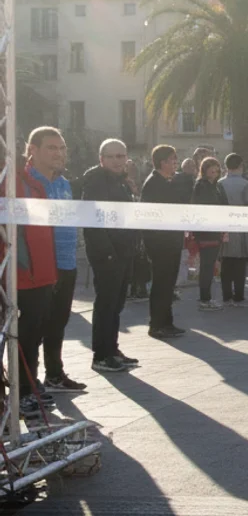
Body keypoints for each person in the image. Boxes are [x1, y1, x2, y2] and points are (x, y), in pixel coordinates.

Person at [1, 133, 59, 414]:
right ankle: (22, 392)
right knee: (20, 337)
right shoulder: (9, 182)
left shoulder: (35, 184)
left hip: (42, 274)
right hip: (18, 276)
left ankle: (29, 386)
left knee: (32, 335)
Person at [27, 128, 86, 392]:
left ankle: (54, 374)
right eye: (52, 148)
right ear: (33, 150)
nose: (59, 153)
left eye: (62, 148)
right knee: (33, 326)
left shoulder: (64, 183)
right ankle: (29, 383)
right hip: (38, 266)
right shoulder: (25, 181)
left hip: (66, 262)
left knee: (58, 322)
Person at [80, 139, 141, 372]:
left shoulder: (122, 181)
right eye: (112, 156)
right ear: (101, 159)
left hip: (124, 250)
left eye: (121, 156)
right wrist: (106, 253)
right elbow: (93, 220)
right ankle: (101, 355)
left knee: (116, 303)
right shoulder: (96, 179)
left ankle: (112, 348)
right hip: (106, 252)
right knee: (106, 303)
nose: (118, 160)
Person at [141, 144, 187, 339]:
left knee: (168, 284)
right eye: (172, 160)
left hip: (172, 241)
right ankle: (157, 324)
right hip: (161, 243)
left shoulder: (168, 181)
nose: (175, 163)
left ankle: (166, 322)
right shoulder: (153, 183)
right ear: (162, 162)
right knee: (161, 284)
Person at [191, 156, 228, 311]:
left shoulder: (217, 186)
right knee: (207, 266)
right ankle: (204, 299)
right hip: (206, 232)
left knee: (210, 265)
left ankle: (206, 297)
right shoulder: (201, 185)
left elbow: (224, 205)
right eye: (211, 168)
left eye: (216, 168)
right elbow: (203, 207)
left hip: (216, 230)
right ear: (204, 170)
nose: (214, 171)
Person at [218, 153, 248, 307]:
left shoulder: (220, 183)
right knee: (240, 262)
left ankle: (226, 296)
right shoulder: (245, 183)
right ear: (240, 166)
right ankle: (239, 295)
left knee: (226, 262)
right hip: (240, 226)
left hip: (224, 225)